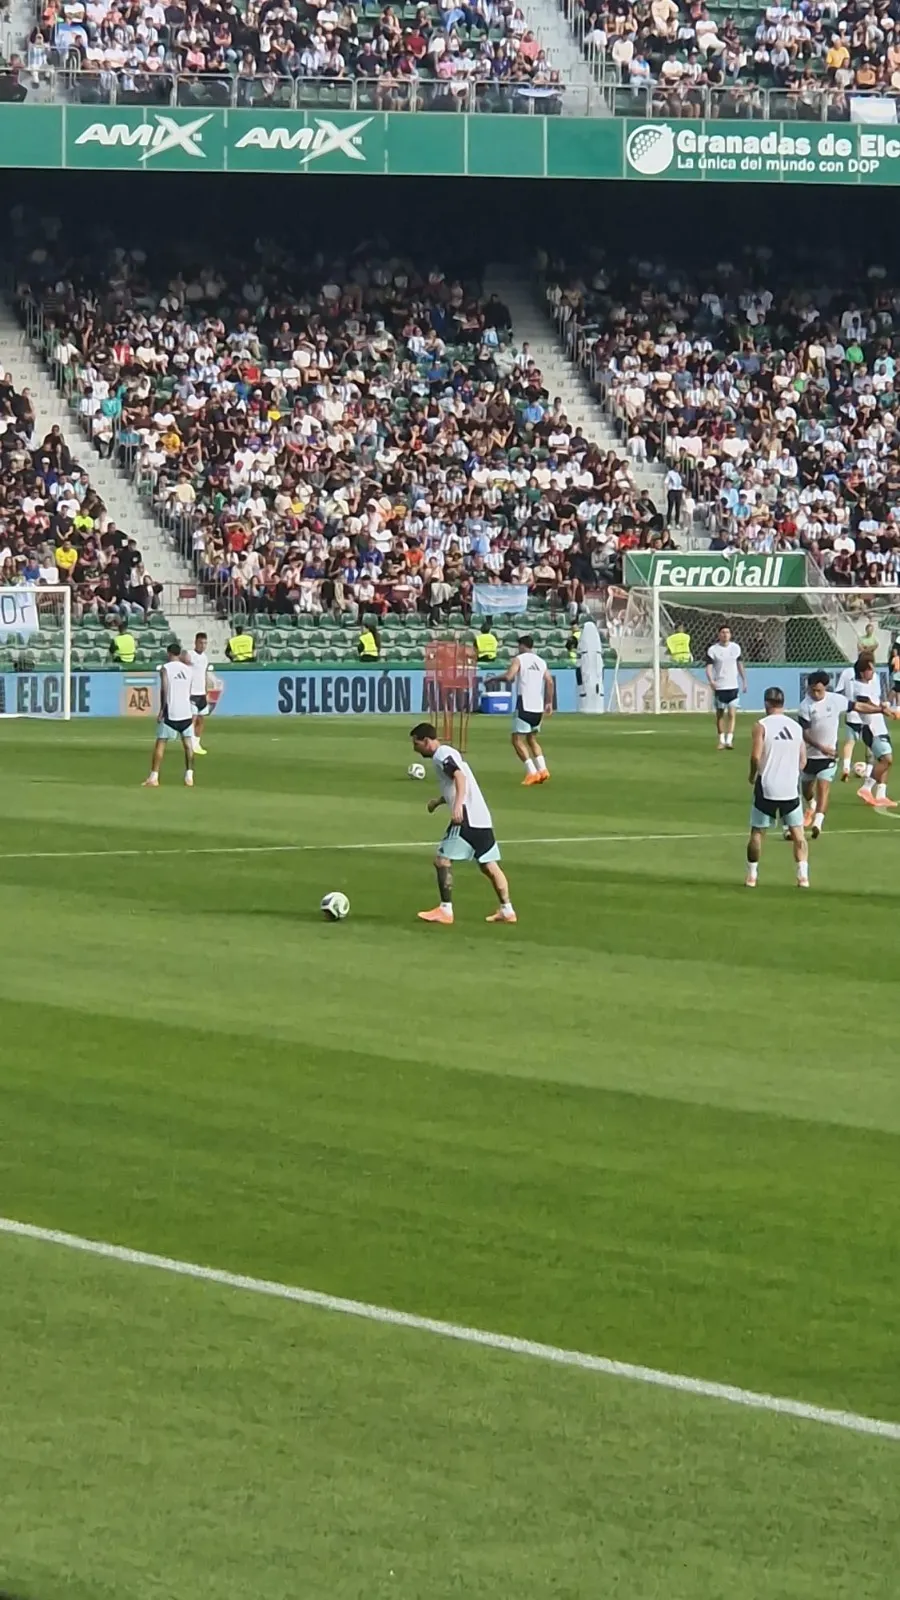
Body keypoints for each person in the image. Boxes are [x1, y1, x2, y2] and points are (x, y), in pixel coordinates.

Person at [409, 721, 516, 926]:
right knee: (489, 865)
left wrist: (457, 806)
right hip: (482, 817)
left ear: (426, 741)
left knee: (442, 860)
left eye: (416, 744)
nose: (415, 749)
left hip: (467, 818)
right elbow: (457, 780)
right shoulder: (449, 754)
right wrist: (439, 801)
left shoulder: (441, 754)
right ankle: (507, 910)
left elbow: (459, 777)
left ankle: (445, 910)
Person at [745, 686, 808, 889]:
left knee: (757, 832)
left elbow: (755, 756)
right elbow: (803, 761)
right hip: (790, 787)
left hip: (767, 786)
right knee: (798, 834)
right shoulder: (796, 727)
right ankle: (802, 876)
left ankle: (752, 875)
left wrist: (752, 775)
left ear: (766, 703)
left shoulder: (761, 725)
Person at [797, 670, 845, 838]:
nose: (816, 694)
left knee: (823, 787)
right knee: (807, 790)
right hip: (810, 756)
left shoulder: (835, 700)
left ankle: (818, 822)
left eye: (819, 690)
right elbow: (805, 734)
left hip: (829, 756)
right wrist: (821, 747)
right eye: (813, 690)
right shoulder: (805, 706)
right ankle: (811, 805)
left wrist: (881, 709)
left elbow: (857, 706)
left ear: (825, 687)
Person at [142, 643, 195, 789]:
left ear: (169, 653)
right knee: (188, 744)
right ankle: (189, 776)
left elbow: (164, 689)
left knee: (161, 743)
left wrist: (161, 710)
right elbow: (189, 691)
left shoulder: (166, 668)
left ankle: (154, 777)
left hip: (171, 712)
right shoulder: (188, 670)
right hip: (186, 712)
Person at [849, 655, 899, 809]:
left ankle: (881, 795)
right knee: (887, 759)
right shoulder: (858, 686)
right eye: (870, 669)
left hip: (880, 726)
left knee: (883, 761)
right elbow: (866, 704)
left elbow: (876, 700)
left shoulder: (872, 681)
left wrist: (887, 709)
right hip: (871, 728)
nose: (873, 671)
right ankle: (866, 788)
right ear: (863, 672)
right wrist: (884, 710)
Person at [504, 634, 553, 786]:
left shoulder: (519, 659)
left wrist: (495, 679)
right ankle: (543, 770)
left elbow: (509, 677)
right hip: (537, 707)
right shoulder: (541, 662)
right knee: (531, 739)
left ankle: (532, 772)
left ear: (522, 646)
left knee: (517, 740)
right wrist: (549, 702)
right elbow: (550, 682)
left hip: (524, 704)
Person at [706, 624, 748, 750]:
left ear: (730, 634)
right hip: (720, 686)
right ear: (719, 634)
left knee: (732, 713)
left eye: (727, 632)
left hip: (733, 685)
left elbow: (739, 664)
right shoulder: (713, 650)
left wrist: (744, 680)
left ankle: (729, 740)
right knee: (720, 714)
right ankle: (721, 740)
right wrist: (711, 680)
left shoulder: (735, 648)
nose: (725, 634)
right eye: (723, 632)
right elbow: (708, 667)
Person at [837, 657, 871, 782]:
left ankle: (846, 768)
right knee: (870, 743)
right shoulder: (871, 674)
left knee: (849, 742)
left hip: (851, 712)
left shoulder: (846, 672)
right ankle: (868, 772)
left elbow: (839, 691)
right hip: (867, 712)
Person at [187, 630, 210, 757]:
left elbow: (204, 674)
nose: (203, 645)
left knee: (201, 719)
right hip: (192, 692)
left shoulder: (205, 658)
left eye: (205, 643)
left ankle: (197, 742)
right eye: (201, 643)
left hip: (201, 692)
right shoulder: (190, 655)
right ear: (195, 642)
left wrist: (206, 690)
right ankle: (190, 742)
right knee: (193, 718)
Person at [890, 635, 900, 709]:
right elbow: (895, 650)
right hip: (897, 670)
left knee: (897, 688)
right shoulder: (898, 639)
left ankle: (897, 704)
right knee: (897, 688)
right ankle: (889, 702)